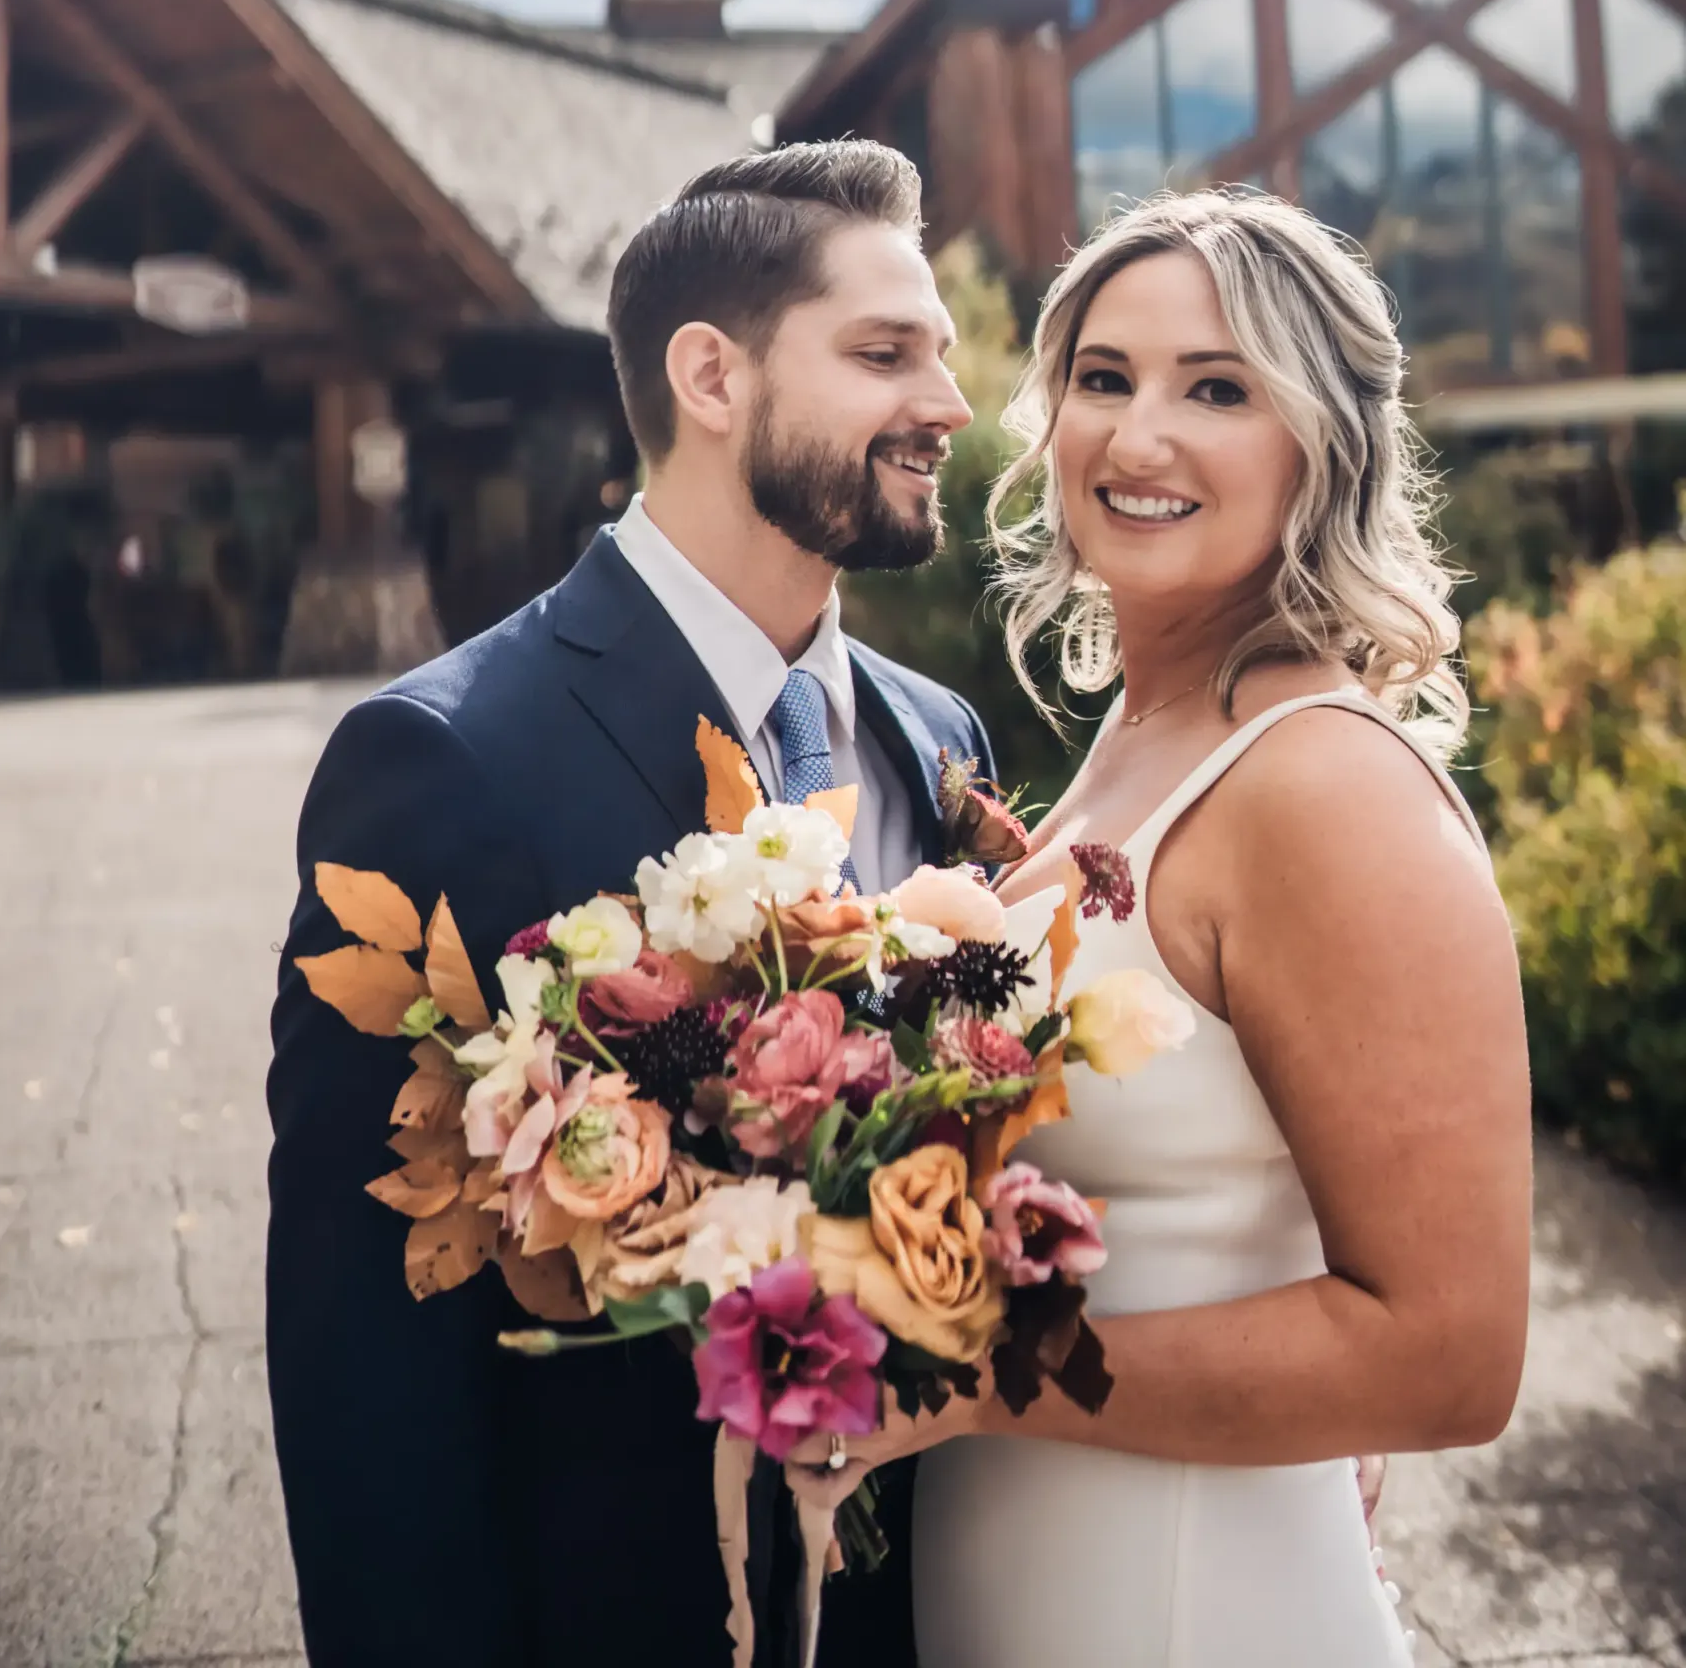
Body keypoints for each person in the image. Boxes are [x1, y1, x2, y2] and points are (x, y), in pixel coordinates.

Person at [265, 139, 993, 1668]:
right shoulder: (442, 762)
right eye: (884, 355)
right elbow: (369, 1379)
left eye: (938, 356)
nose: (948, 405)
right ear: (710, 378)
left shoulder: (941, 743)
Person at [788, 188, 1533, 1668]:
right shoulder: (1144, 734)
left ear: (1318, 439)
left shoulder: (1322, 786)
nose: (1137, 438)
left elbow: (1447, 1358)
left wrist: (973, 1384)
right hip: (1043, 1585)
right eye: (1101, 377)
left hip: (1201, 1606)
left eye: (1215, 389)